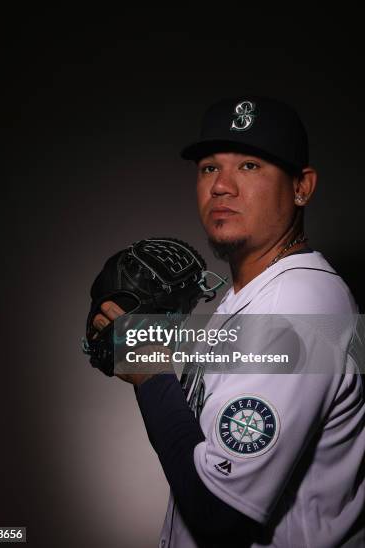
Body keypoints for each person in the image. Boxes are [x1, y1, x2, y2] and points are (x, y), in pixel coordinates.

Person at [92, 97, 365, 547]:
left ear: (302, 186)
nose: (221, 186)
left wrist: (151, 373)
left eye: (250, 166)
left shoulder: (297, 304)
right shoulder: (249, 297)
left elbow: (220, 514)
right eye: (208, 168)